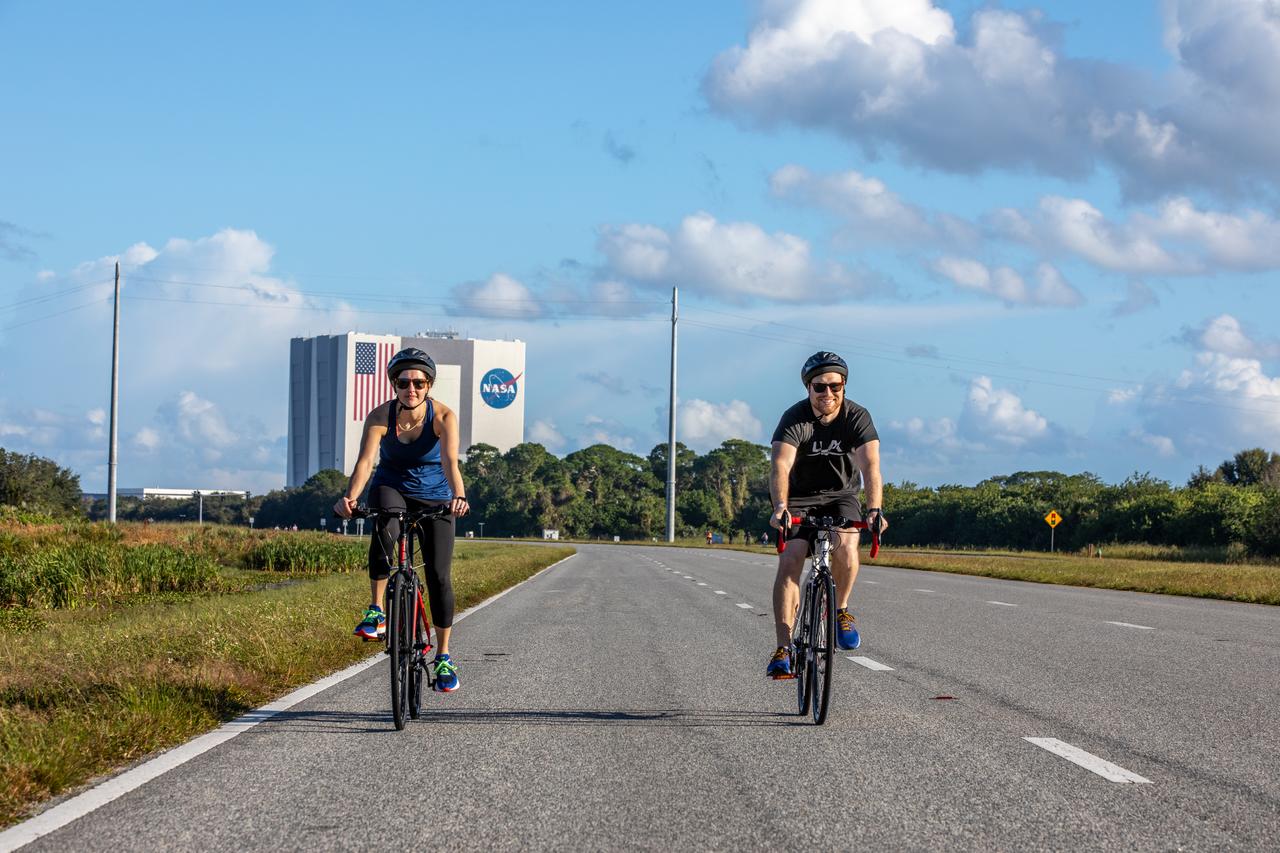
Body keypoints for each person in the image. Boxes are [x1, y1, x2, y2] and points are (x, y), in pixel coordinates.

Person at [333, 347, 470, 692]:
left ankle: (443, 656)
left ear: (429, 385)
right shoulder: (380, 417)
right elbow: (365, 463)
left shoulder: (443, 418)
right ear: (394, 384)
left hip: (436, 494)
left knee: (439, 575)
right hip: (390, 486)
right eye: (405, 382)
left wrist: (459, 496)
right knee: (384, 532)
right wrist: (350, 497)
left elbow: (450, 463)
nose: (412, 389)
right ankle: (377, 611)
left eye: (420, 383)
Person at [765, 351, 887, 679]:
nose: (828, 394)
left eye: (836, 386)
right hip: (799, 497)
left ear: (844, 386)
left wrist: (875, 510)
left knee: (847, 546)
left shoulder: (857, 417)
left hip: (841, 496)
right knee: (790, 559)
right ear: (809, 388)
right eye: (820, 387)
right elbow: (780, 464)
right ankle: (783, 648)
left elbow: (870, 466)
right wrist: (781, 508)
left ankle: (841, 610)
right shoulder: (795, 418)